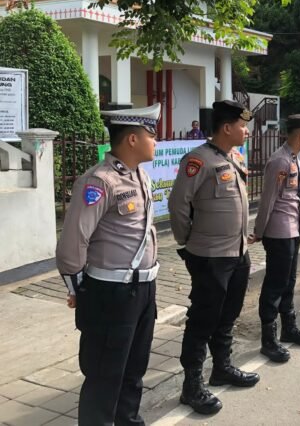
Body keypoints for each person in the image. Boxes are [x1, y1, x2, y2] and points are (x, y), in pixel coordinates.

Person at [56, 104, 161, 426]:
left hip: (144, 289)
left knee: (134, 368)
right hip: (111, 292)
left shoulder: (140, 175)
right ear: (132, 139)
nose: (156, 141)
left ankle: (128, 420)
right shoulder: (99, 181)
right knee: (105, 374)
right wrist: (79, 289)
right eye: (151, 134)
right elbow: (73, 242)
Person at [168, 100, 258, 415]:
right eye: (242, 126)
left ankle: (222, 367)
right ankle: (191, 385)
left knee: (228, 315)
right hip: (210, 256)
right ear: (227, 128)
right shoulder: (198, 160)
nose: (246, 131)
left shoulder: (234, 157)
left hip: (238, 253)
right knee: (203, 320)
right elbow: (178, 204)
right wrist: (186, 241)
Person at [252, 114, 300, 362]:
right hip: (279, 232)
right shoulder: (280, 160)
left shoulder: (293, 157)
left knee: (289, 281)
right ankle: (268, 339)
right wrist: (259, 231)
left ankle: (289, 327)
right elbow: (268, 199)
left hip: (292, 229)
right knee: (275, 285)